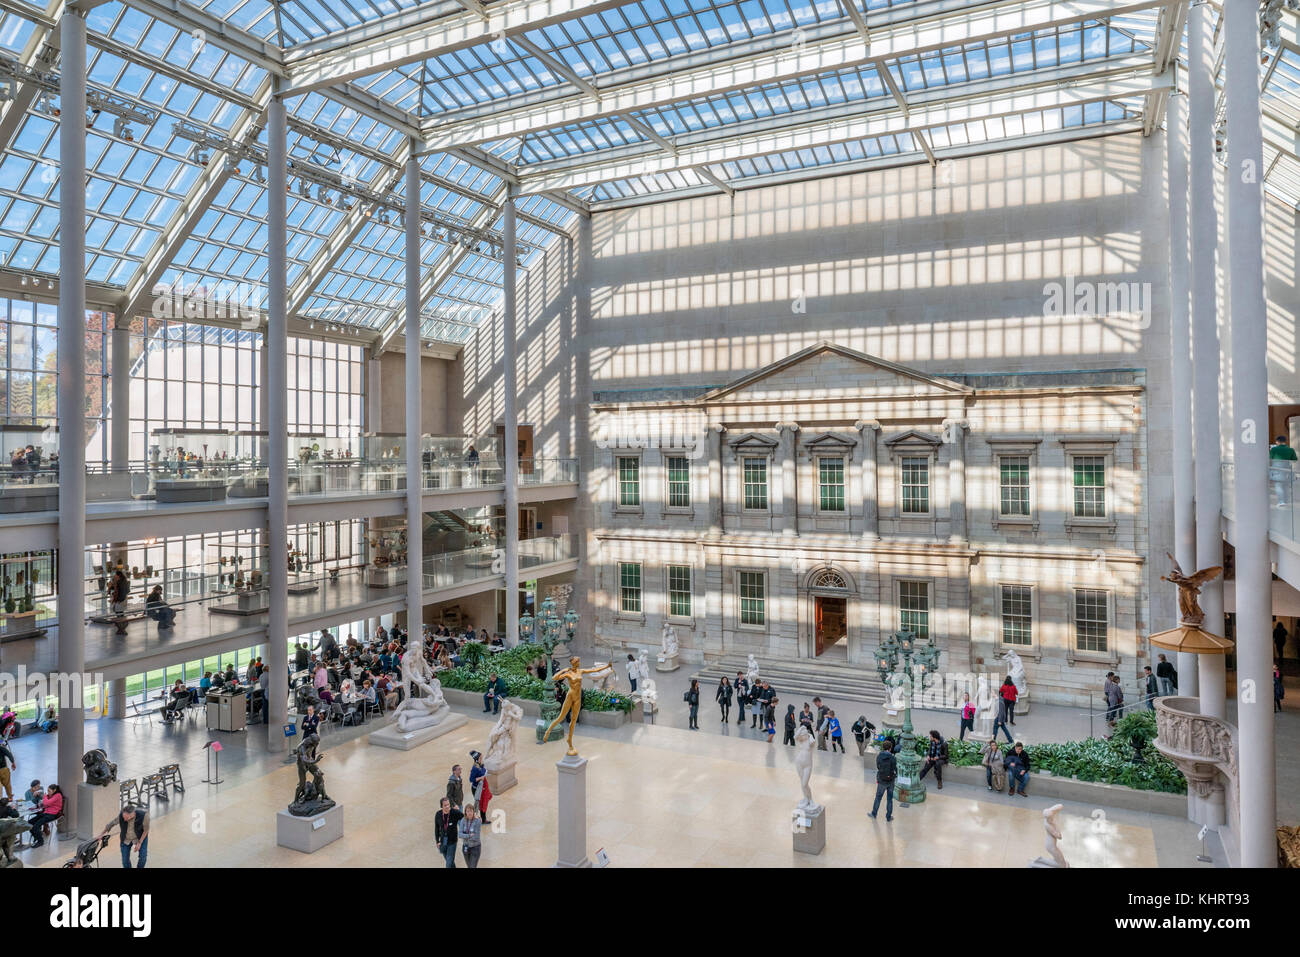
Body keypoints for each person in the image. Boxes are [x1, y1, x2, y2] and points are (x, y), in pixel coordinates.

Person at [102, 803, 148, 867]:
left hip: (140, 837)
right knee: (125, 861)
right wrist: (101, 834)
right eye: (123, 817)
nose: (124, 819)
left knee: (143, 857)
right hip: (126, 839)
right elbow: (111, 824)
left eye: (126, 818)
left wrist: (140, 843)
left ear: (132, 814)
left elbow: (146, 830)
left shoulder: (144, 815)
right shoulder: (122, 816)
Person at [28, 783, 64, 847]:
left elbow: (47, 802)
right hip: (46, 813)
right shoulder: (51, 795)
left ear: (54, 790)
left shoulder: (58, 795)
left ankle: (40, 841)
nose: (48, 792)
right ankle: (36, 836)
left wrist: (44, 796)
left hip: (52, 814)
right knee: (29, 823)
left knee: (35, 826)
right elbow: (45, 804)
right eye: (47, 791)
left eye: (49, 791)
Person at [870, 742, 896, 822]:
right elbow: (894, 768)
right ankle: (888, 817)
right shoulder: (893, 758)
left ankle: (874, 813)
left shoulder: (879, 756)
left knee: (878, 798)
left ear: (883, 747)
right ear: (890, 748)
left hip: (881, 780)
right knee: (889, 799)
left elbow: (878, 766)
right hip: (891, 781)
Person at [434, 796, 463, 868]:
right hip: (443, 842)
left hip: (452, 842)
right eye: (445, 805)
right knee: (450, 862)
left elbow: (465, 817)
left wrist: (475, 817)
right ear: (441, 806)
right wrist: (437, 841)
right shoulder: (438, 814)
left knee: (448, 863)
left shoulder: (454, 813)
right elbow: (437, 829)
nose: (447, 807)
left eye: (448, 804)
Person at [1270, 434, 1297, 506]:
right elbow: (1294, 460)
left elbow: (1270, 458)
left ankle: (1281, 501)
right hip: (1287, 470)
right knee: (1286, 486)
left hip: (1277, 470)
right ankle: (1286, 501)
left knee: (1278, 486)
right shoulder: (1291, 450)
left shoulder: (1274, 449)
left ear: (1278, 442)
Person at [469, 749, 492, 819]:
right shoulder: (475, 768)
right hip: (477, 789)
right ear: (477, 759)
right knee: (479, 804)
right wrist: (480, 778)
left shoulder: (480, 765)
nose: (481, 759)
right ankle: (475, 817)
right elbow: (471, 779)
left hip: (481, 787)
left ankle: (482, 818)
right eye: (480, 758)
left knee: (482, 803)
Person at [459, 802, 483, 868]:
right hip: (465, 848)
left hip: (475, 848)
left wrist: (465, 836)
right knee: (469, 866)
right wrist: (469, 835)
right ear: (465, 812)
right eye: (467, 811)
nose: (469, 813)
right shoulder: (463, 820)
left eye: (471, 811)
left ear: (473, 812)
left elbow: (476, 837)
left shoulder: (477, 821)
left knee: (472, 866)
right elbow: (460, 834)